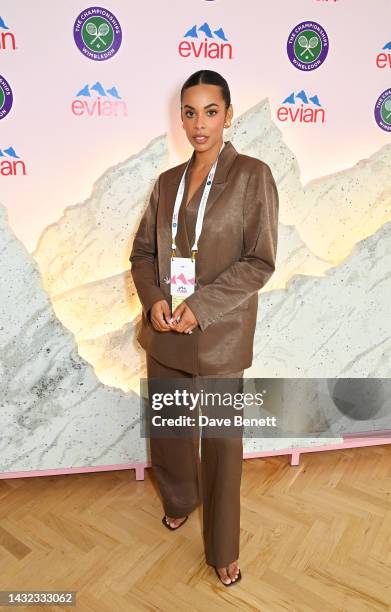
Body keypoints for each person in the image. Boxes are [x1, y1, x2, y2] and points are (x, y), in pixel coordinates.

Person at [129, 69, 279, 586]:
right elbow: (143, 254)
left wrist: (201, 305)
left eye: (210, 112)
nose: (199, 124)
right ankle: (178, 499)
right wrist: (153, 303)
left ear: (229, 115)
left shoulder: (252, 175)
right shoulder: (166, 183)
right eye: (189, 112)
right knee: (170, 436)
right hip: (166, 333)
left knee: (220, 448)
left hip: (219, 339)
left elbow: (260, 261)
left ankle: (223, 548)